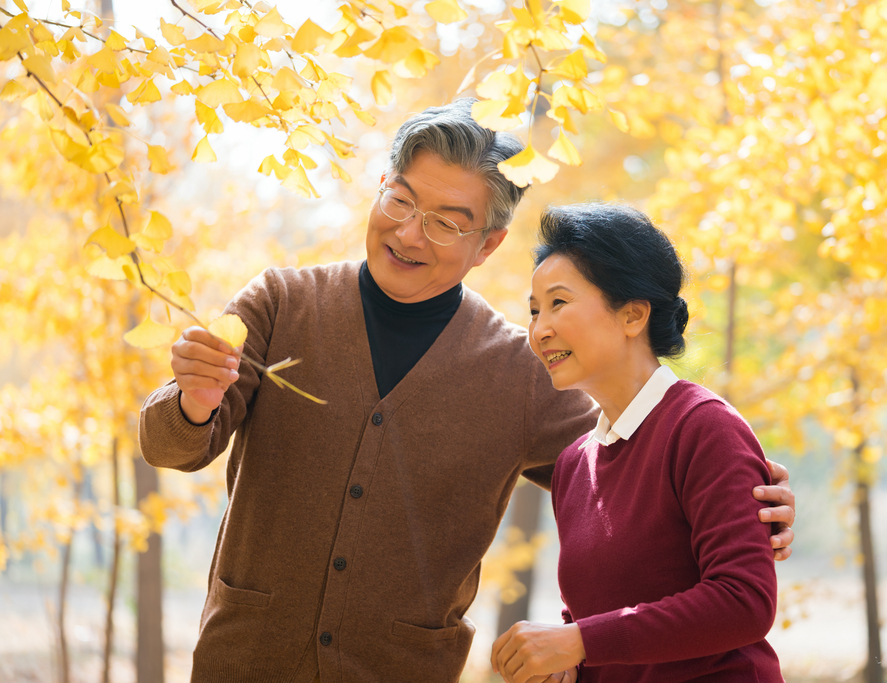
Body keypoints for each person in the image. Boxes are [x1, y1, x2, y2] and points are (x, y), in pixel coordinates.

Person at [138, 100, 795, 683]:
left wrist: (753, 495)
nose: (409, 232)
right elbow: (168, 445)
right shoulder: (281, 303)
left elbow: (640, 455)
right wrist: (194, 401)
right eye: (400, 200)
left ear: (490, 243)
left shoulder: (523, 373)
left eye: (448, 221)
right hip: (246, 659)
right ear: (380, 190)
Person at [491, 204, 784, 683]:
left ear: (632, 315)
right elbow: (598, 626)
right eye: (534, 310)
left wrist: (577, 643)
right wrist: (561, 664)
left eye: (559, 303)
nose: (539, 329)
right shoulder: (573, 465)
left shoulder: (704, 428)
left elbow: (744, 601)